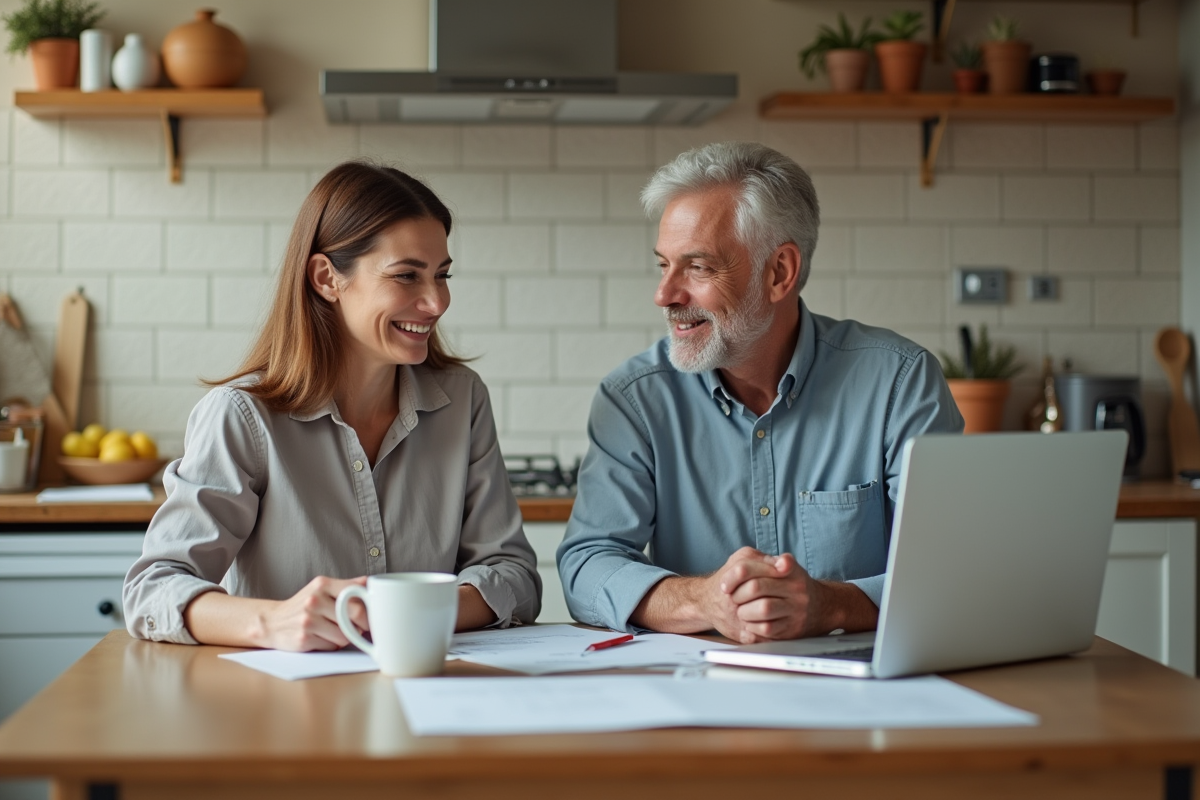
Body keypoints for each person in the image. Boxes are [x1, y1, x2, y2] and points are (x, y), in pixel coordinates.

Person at [556, 142, 962, 644]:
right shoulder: (636, 399)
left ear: (779, 273)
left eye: (698, 267)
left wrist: (829, 605)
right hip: (695, 684)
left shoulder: (899, 383)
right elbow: (587, 565)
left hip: (866, 683)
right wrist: (704, 600)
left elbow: (949, 571)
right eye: (664, 265)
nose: (665, 295)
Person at [124, 161, 540, 650]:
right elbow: (153, 590)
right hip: (285, 694)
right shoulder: (241, 416)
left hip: (430, 688)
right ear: (326, 278)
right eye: (407, 276)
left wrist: (409, 613)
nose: (436, 302)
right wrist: (273, 622)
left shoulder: (462, 401)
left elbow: (514, 576)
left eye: (442, 275)